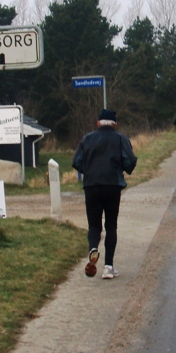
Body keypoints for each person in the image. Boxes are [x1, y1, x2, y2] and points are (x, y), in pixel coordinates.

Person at [72, 109, 138, 279]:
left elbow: (76, 162)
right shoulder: (120, 138)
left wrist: (88, 171)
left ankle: (93, 249)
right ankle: (108, 267)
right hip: (112, 185)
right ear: (115, 124)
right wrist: (123, 169)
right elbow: (130, 161)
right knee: (111, 225)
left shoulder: (87, 139)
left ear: (98, 123)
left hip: (91, 186)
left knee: (94, 226)